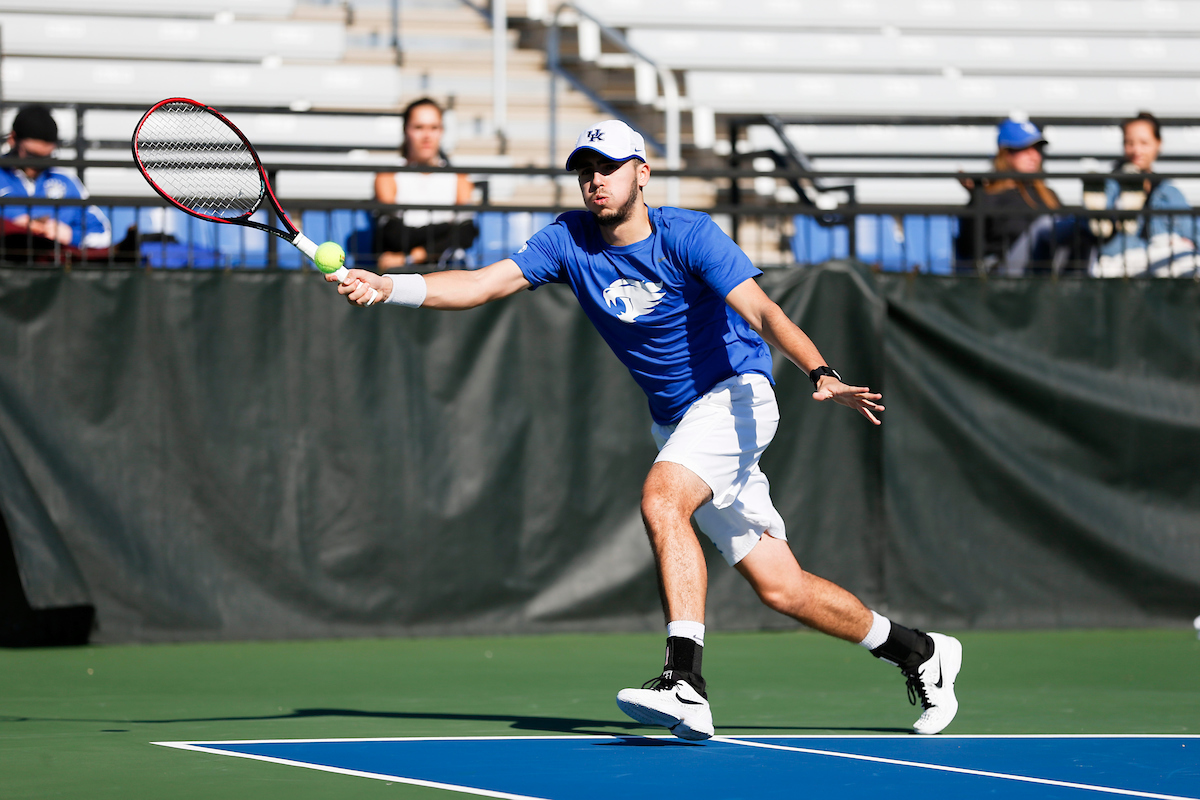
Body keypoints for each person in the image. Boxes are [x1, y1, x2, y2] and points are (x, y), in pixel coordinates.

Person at [332, 120, 963, 739]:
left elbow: (763, 310)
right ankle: (918, 650)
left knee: (662, 498)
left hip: (737, 397)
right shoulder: (567, 239)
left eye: (607, 168)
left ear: (642, 172)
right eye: (585, 171)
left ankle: (684, 682)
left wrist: (820, 371)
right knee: (782, 587)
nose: (595, 181)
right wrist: (389, 286)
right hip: (677, 423)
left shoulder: (689, 234)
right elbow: (481, 282)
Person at [956, 117, 1079, 275]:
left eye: (1037, 149)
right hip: (1007, 276)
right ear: (1006, 153)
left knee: (1081, 231)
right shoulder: (987, 195)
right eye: (1024, 149)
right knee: (1044, 227)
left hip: (1049, 274)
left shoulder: (1048, 195)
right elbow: (971, 249)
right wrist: (976, 197)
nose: (1033, 156)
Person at [1086, 112, 1196, 278]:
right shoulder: (1110, 185)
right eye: (1129, 143)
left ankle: (1122, 218)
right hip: (1123, 255)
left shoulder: (1169, 192)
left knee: (1183, 256)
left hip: (1160, 255)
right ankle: (1115, 218)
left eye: (1144, 143)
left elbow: (1191, 231)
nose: (1136, 150)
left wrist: (1185, 242)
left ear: (1158, 144)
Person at [373, 97, 477, 271]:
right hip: (400, 277)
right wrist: (446, 231)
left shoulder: (459, 178)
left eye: (434, 127)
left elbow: (466, 234)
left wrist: (414, 255)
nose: (427, 136)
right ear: (406, 130)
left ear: (442, 131)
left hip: (444, 273)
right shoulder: (388, 176)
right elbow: (394, 236)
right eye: (418, 127)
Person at [0, 104, 112, 250]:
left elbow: (103, 234)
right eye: (31, 155)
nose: (36, 164)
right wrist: (13, 227)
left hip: (56, 269)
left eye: (46, 157)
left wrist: (70, 235)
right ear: (13, 139)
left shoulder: (66, 181)